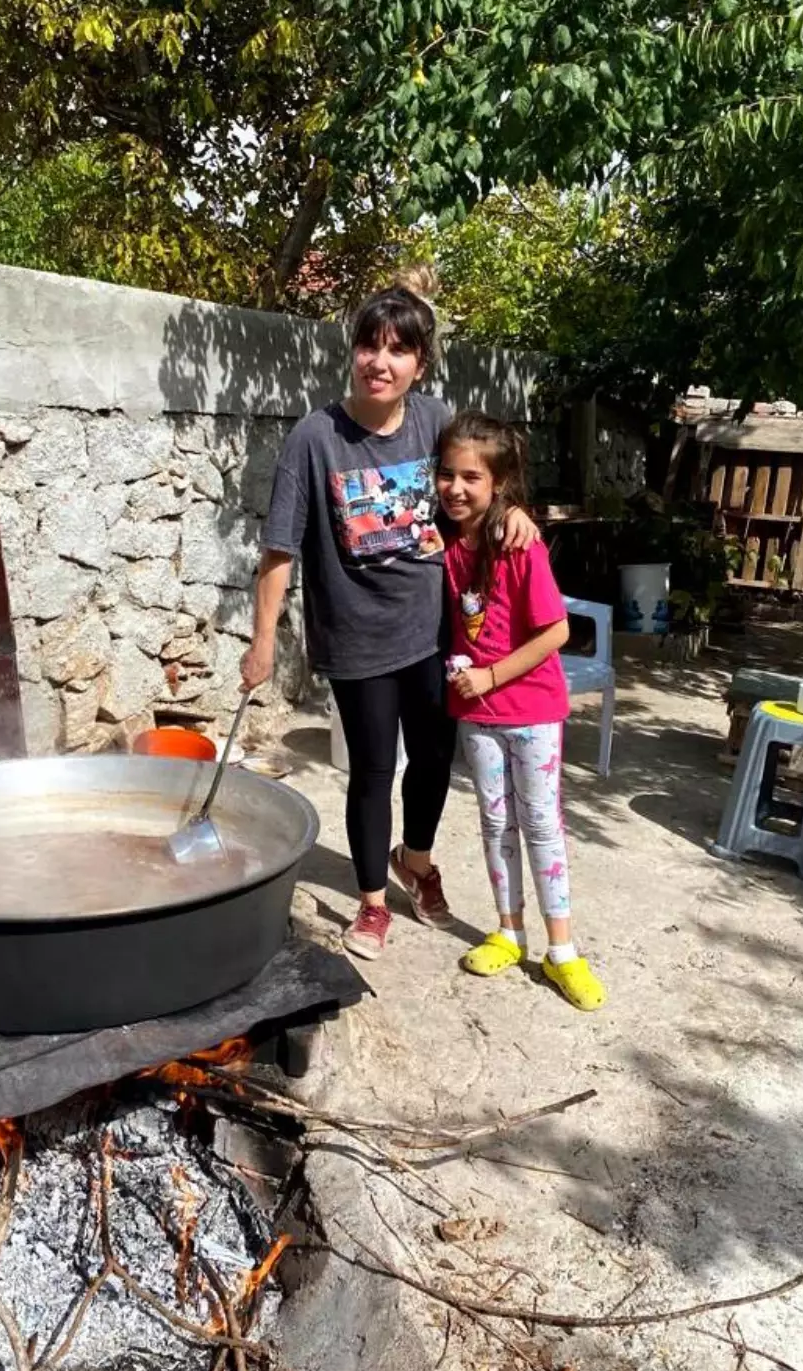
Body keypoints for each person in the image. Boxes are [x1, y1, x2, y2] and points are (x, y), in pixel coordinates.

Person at [240, 285, 538, 960]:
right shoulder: (314, 439)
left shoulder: (434, 421)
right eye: (369, 344)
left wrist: (512, 510)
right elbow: (280, 548)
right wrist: (262, 641)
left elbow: (481, 477)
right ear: (353, 350)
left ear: (420, 364)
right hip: (356, 637)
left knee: (434, 756)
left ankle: (417, 860)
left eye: (398, 349)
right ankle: (373, 902)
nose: (380, 360)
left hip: (435, 629)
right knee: (373, 769)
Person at [436, 410, 606, 1011]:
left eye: (471, 478)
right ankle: (509, 931)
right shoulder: (449, 542)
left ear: (499, 485)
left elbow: (556, 631)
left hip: (531, 712)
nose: (455, 487)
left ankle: (562, 952)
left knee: (541, 826)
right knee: (493, 823)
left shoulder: (519, 544)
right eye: (446, 474)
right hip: (476, 716)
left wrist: (488, 675)